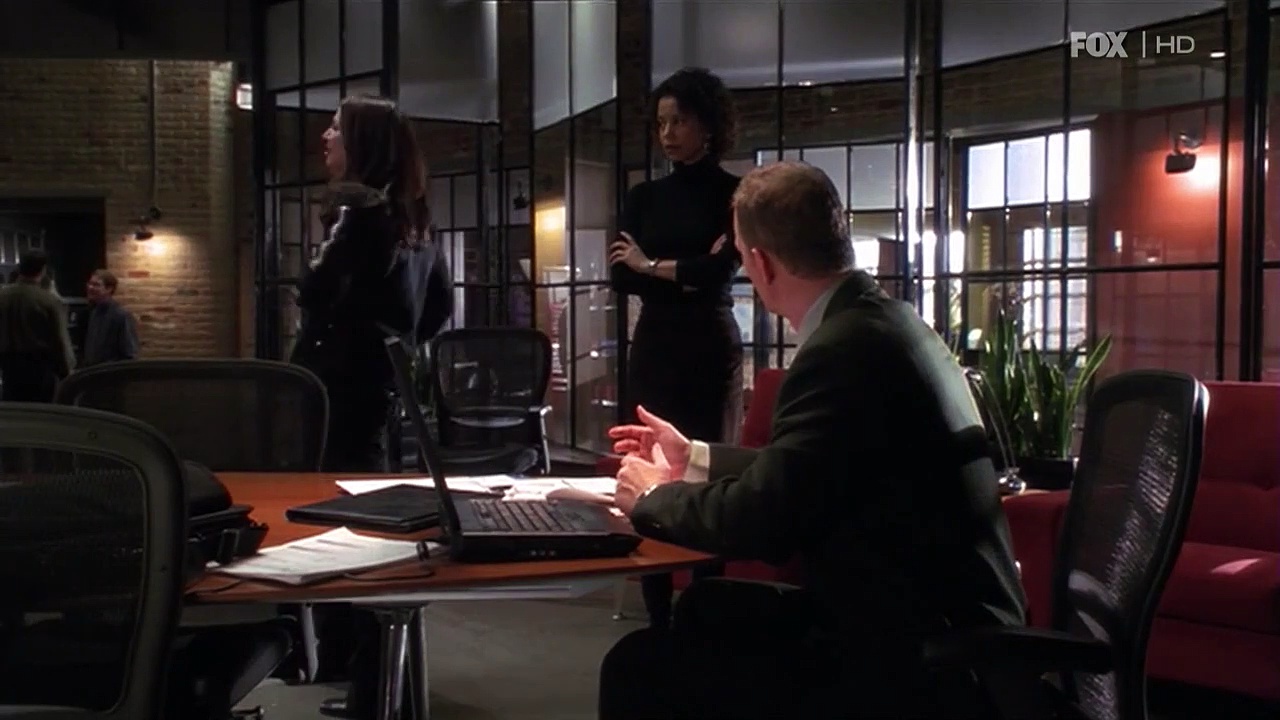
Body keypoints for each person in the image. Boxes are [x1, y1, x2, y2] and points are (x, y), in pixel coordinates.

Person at [598, 162, 1028, 719]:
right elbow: (811, 469)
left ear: (760, 263)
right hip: (933, 623)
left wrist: (654, 496)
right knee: (708, 606)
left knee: (638, 667)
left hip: (922, 661)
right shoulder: (884, 322)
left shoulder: (842, 351)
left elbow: (764, 521)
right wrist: (694, 457)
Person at [287, 94, 453, 720]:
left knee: (343, 534)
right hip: (381, 392)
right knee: (369, 528)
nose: (325, 137)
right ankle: (377, 683)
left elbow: (313, 292)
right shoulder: (414, 220)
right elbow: (437, 312)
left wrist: (331, 243)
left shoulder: (361, 216)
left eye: (336, 128)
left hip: (338, 394)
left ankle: (361, 681)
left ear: (361, 142)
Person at [608, 66, 742, 629]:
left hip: (710, 344)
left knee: (708, 472)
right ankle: (658, 616)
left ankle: (708, 610)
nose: (667, 134)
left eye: (679, 121)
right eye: (661, 123)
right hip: (656, 342)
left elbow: (721, 271)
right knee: (650, 467)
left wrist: (652, 265)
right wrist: (683, 270)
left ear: (707, 125)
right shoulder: (643, 196)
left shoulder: (733, 193)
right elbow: (621, 276)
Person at [0, 250, 75, 402]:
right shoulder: (48, 300)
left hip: (8, 366)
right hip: (40, 368)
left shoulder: (3, 296)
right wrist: (67, 369)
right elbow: (60, 339)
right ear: (43, 269)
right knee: (41, 410)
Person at [82, 269, 138, 366]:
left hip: (111, 373)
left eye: (96, 285)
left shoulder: (121, 315)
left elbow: (130, 353)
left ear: (109, 289)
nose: (90, 287)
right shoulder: (93, 312)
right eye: (90, 283)